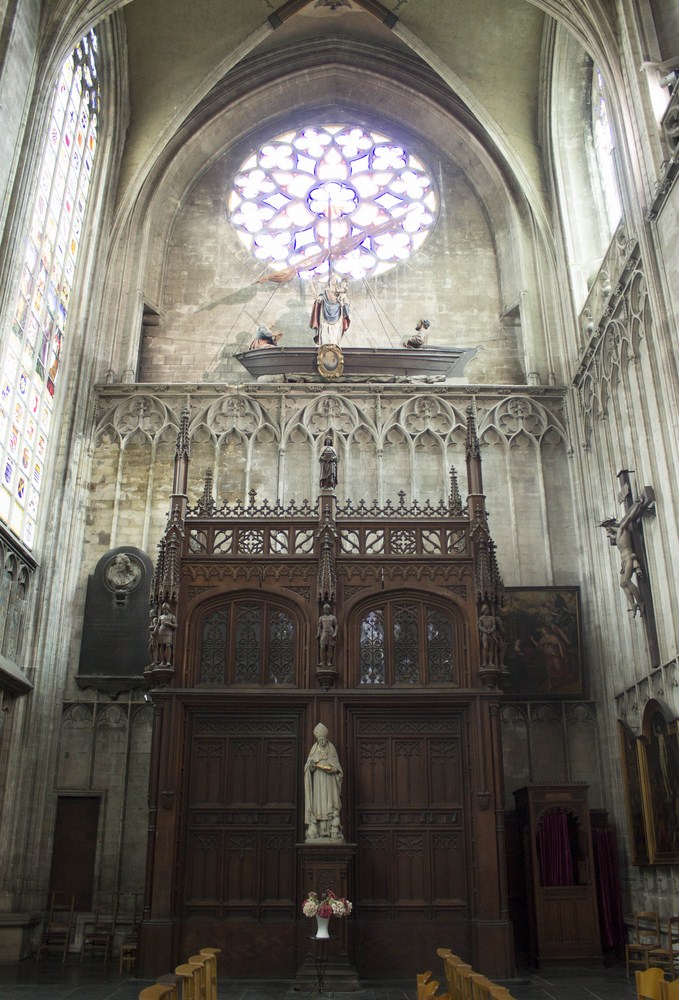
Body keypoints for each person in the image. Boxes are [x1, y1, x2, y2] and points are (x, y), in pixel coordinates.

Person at [599, 498, 647, 616]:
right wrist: (610, 536)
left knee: (627, 580)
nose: (607, 531)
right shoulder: (617, 536)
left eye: (606, 528)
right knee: (622, 584)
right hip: (624, 561)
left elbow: (630, 516)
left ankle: (640, 602)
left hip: (629, 557)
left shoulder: (622, 529)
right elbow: (614, 538)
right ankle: (633, 604)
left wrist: (638, 504)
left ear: (610, 526)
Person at [304, 723, 343, 841]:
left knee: (330, 803)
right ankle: (319, 830)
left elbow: (337, 768)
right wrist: (312, 766)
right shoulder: (314, 749)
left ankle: (332, 828)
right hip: (318, 780)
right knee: (319, 804)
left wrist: (333, 769)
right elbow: (308, 768)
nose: (322, 742)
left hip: (330, 782)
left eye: (323, 740)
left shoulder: (332, 749)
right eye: (320, 740)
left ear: (326, 739)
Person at [310, 274, 350, 345]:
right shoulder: (325, 292)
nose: (333, 280)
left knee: (335, 333)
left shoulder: (339, 292)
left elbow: (346, 302)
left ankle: (334, 346)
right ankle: (325, 347)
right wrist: (311, 286)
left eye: (335, 279)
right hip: (325, 316)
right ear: (329, 281)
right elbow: (319, 299)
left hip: (337, 317)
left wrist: (343, 304)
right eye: (332, 279)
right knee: (325, 332)